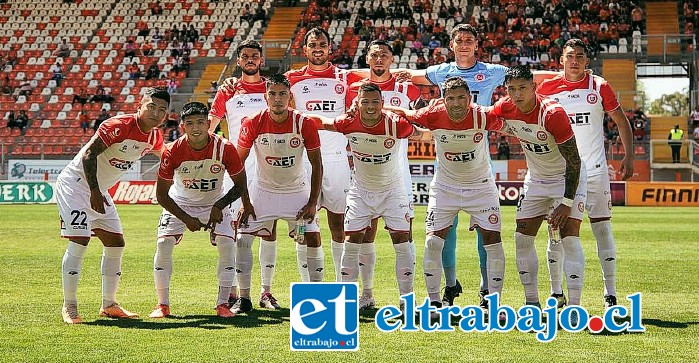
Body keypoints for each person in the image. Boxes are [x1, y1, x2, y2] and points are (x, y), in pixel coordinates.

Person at [385, 77, 506, 314]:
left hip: (481, 187)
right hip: (445, 187)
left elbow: (513, 121)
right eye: (451, 98)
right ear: (444, 99)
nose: (457, 103)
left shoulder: (482, 115)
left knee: (493, 244)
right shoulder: (433, 114)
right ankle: (434, 303)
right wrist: (373, 108)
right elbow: (405, 113)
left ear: (469, 98)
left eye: (461, 97)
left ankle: (494, 303)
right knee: (432, 242)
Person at [56, 87, 170, 324]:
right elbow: (89, 155)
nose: (156, 113)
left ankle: (109, 304)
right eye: (151, 106)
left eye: (162, 110)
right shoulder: (117, 125)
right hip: (77, 185)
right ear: (140, 106)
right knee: (80, 240)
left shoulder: (155, 137)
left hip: (100, 190)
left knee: (116, 243)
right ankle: (70, 306)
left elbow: (168, 156)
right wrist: (95, 191)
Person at [539, 39, 636, 308]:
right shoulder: (547, 88)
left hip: (595, 171)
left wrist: (629, 157)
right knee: (556, 232)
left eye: (579, 57)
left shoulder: (599, 85)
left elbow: (621, 121)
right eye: (569, 56)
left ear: (586, 61)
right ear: (561, 61)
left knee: (602, 229)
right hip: (562, 173)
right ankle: (557, 293)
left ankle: (610, 294)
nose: (574, 61)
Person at [312, 83, 424, 311]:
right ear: (358, 103)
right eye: (365, 102)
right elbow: (319, 122)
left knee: (402, 243)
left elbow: (424, 135)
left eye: (375, 102)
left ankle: (406, 301)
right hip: (361, 193)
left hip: (393, 191)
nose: (370, 107)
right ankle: (347, 302)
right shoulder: (348, 122)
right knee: (351, 244)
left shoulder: (396, 124)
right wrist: (292, 114)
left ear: (382, 104)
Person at [492, 66, 586, 321]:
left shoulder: (552, 114)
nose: (517, 94)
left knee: (569, 239)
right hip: (536, 180)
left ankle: (574, 308)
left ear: (534, 87)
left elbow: (575, 161)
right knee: (522, 239)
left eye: (522, 87)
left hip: (567, 177)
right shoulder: (504, 107)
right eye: (512, 89)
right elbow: (483, 118)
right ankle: (532, 303)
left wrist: (566, 203)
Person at [150, 102, 252, 319]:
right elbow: (161, 196)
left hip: (215, 202)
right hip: (181, 203)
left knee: (227, 244)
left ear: (208, 124)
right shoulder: (172, 151)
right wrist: (186, 218)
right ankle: (162, 305)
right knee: (163, 243)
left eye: (200, 123)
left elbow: (241, 185)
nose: (195, 128)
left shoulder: (225, 148)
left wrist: (219, 206)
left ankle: (223, 304)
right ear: (182, 127)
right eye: (189, 124)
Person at [234, 74, 324, 313]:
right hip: (263, 192)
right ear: (266, 96)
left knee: (311, 238)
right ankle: (245, 299)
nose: (277, 99)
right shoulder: (253, 122)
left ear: (290, 97)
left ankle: (315, 298)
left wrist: (313, 201)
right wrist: (246, 200)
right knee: (243, 239)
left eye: (282, 94)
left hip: (297, 192)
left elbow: (317, 164)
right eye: (272, 94)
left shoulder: (304, 123)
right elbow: (237, 164)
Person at [344, 39, 422, 310]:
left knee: (403, 235)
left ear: (392, 59)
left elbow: (420, 120)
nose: (379, 59)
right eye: (374, 55)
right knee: (364, 234)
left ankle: (406, 300)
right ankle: (365, 295)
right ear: (367, 59)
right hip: (364, 172)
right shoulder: (353, 89)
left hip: (398, 174)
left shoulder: (407, 87)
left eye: (384, 55)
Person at [283, 27, 364, 282]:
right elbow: (263, 91)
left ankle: (342, 285)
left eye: (322, 44)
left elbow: (378, 76)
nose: (317, 48)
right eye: (312, 44)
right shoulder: (291, 78)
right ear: (304, 49)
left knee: (339, 224)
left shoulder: (345, 77)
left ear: (330, 48)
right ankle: (311, 287)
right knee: (304, 224)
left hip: (337, 158)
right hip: (303, 161)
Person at [208, 40, 270, 313]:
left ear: (261, 60)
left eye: (254, 56)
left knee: (268, 229)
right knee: (233, 230)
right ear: (239, 60)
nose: (250, 60)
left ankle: (266, 291)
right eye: (245, 56)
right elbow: (211, 124)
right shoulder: (229, 90)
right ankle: (232, 290)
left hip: (269, 165)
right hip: (237, 165)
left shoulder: (272, 88)